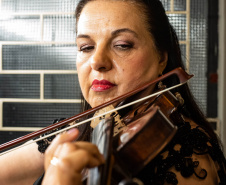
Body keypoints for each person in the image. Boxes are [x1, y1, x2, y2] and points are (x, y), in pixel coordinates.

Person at [1, 0, 226, 184]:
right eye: (86, 47)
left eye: (122, 44)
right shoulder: (85, 128)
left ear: (161, 58)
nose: (97, 61)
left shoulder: (188, 157)